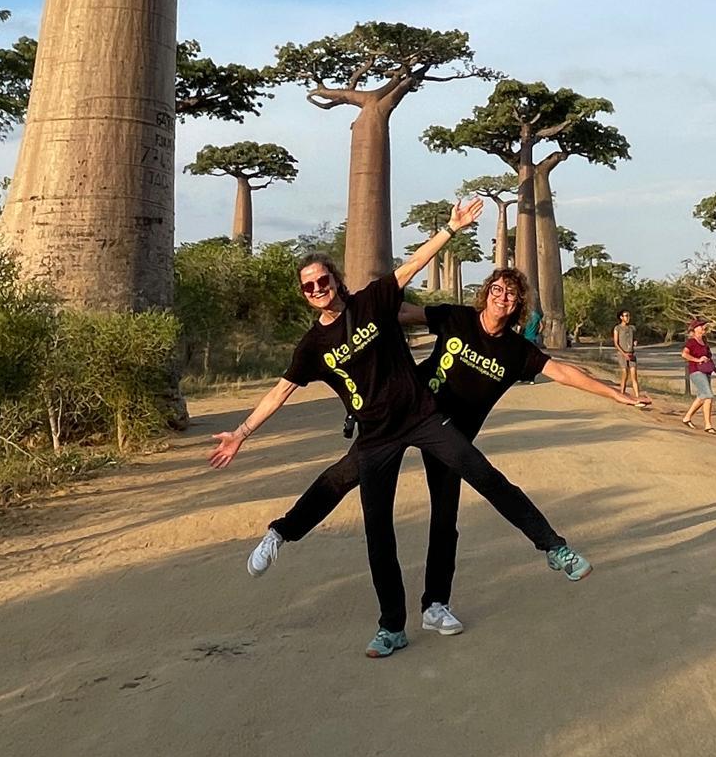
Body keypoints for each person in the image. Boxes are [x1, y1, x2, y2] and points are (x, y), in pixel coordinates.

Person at [208, 201, 593, 661]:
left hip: (421, 416)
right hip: (376, 435)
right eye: (309, 286)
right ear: (304, 294)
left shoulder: (372, 302)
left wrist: (450, 229)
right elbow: (281, 391)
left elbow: (411, 266)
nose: (317, 289)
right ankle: (390, 625)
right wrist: (242, 432)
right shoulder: (312, 345)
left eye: (323, 281)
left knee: (484, 475)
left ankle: (553, 548)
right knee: (377, 530)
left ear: (336, 281)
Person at [242, 266, 650, 636]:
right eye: (496, 289)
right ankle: (283, 534)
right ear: (485, 293)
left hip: (445, 433)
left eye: (510, 293)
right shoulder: (457, 318)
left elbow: (561, 371)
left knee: (451, 512)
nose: (502, 296)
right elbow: (406, 312)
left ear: (518, 304)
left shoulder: (516, 351)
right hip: (407, 412)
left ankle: (439, 603)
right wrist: (361, 318)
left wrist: (617, 394)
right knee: (342, 479)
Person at [681, 316, 716, 433]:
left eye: (703, 326)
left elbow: (708, 356)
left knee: (702, 396)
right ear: (695, 329)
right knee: (708, 395)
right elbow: (684, 354)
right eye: (701, 326)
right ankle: (708, 425)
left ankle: (687, 418)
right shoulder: (691, 342)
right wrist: (697, 360)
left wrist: (713, 367)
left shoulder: (704, 342)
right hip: (696, 371)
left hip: (706, 371)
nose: (703, 328)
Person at [612, 309, 640, 400]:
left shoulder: (632, 328)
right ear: (621, 317)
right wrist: (623, 354)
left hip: (631, 353)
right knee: (625, 374)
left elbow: (634, 338)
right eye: (626, 316)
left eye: (628, 316)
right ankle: (622, 394)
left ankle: (637, 396)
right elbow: (616, 343)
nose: (628, 318)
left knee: (634, 376)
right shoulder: (617, 328)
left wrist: (635, 341)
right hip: (622, 354)